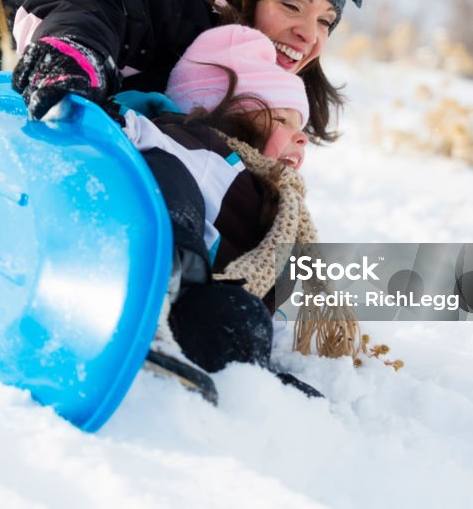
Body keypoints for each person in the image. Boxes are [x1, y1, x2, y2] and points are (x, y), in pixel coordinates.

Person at [116, 25, 358, 392]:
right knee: (172, 176)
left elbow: (268, 305)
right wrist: (113, 116)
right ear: (230, 113)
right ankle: (154, 313)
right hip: (137, 273)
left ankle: (251, 385)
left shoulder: (278, 212)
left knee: (245, 316)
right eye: (282, 119)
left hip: (196, 312)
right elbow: (132, 132)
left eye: (301, 127)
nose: (302, 137)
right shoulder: (198, 146)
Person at [11, 0, 364, 144]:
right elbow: (94, 1)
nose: (309, 34)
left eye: (325, 21)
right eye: (292, 6)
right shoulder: (175, 14)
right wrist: (74, 51)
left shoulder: (284, 102)